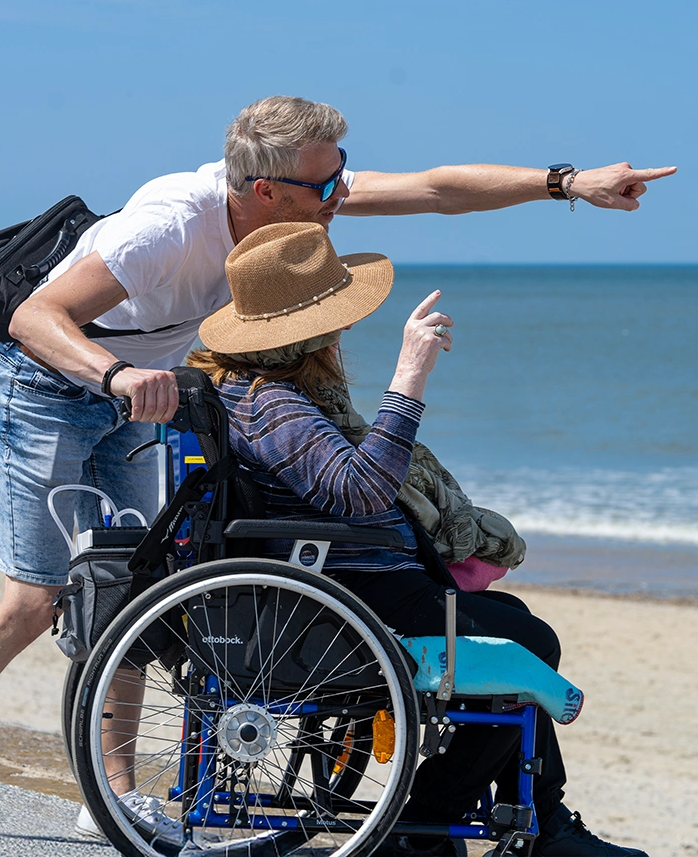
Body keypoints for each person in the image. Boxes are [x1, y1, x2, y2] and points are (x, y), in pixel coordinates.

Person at [0, 94, 675, 838]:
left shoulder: (296, 204)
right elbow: (35, 315)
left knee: (138, 587)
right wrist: (112, 378)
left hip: (144, 387)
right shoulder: (170, 228)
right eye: (324, 186)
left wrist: (570, 183)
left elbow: (434, 188)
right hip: (45, 378)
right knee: (37, 598)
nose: (339, 195)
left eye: (340, 178)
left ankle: (107, 793)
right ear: (262, 192)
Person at [186, 221, 648, 857]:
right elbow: (362, 491)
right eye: (335, 319)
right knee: (529, 642)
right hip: (347, 597)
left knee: (512, 624)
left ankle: (544, 819)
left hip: (344, 586)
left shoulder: (262, 391)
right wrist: (409, 377)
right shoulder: (271, 405)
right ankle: (429, 823)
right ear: (310, 331)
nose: (343, 331)